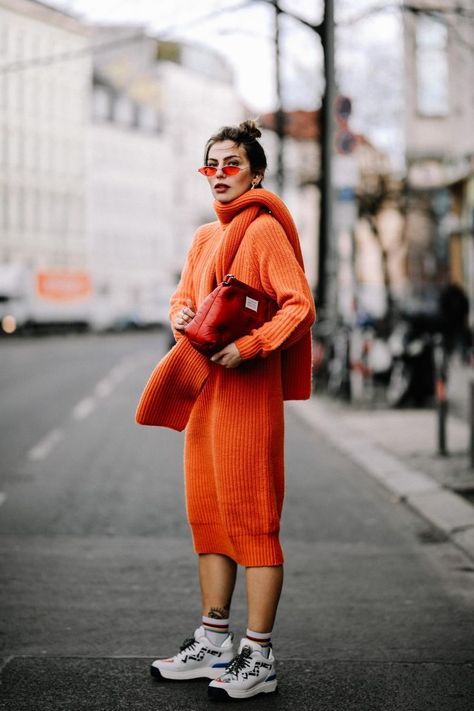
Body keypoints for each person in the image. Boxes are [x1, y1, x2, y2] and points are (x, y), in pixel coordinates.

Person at [138, 120, 315, 701]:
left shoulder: (263, 232)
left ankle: (258, 655)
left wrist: (252, 345)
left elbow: (299, 307)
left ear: (256, 173)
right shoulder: (201, 239)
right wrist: (181, 317)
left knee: (254, 525)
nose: (218, 174)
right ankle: (214, 640)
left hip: (248, 400)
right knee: (210, 519)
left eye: (231, 164)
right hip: (206, 398)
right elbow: (184, 296)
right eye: (210, 165)